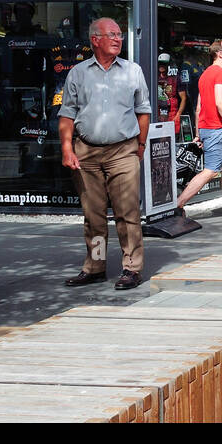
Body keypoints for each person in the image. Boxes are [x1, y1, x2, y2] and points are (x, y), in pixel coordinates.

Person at [58, 18, 151, 290]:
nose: (118, 39)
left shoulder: (133, 71)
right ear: (94, 40)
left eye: (119, 35)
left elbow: (143, 112)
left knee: (128, 212)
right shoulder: (78, 73)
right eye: (111, 34)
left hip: (123, 151)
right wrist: (67, 148)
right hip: (86, 151)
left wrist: (141, 146)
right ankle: (96, 266)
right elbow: (67, 114)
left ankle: (131, 268)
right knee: (94, 216)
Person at [176, 38, 222, 219]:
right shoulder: (221, 73)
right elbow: (220, 103)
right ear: (219, 54)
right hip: (216, 129)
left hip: (208, 128)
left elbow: (198, 107)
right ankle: (177, 205)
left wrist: (197, 133)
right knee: (211, 170)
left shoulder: (205, 74)